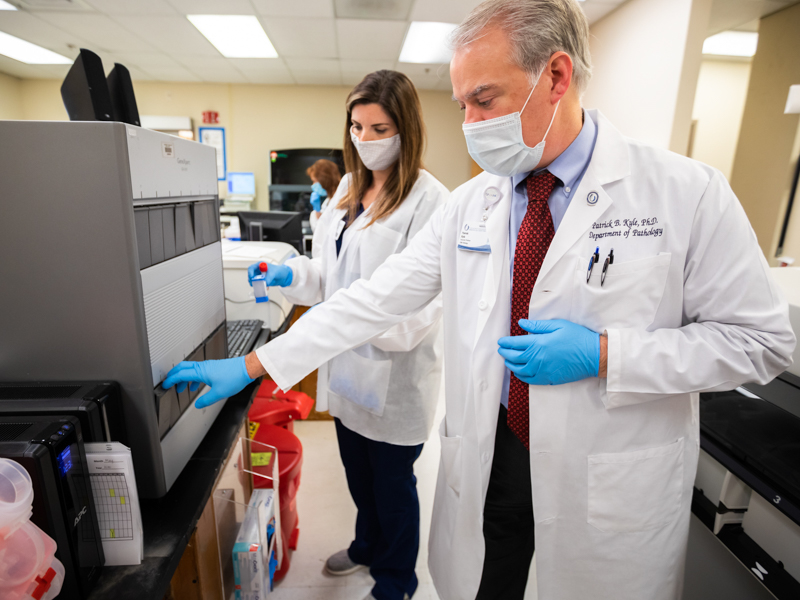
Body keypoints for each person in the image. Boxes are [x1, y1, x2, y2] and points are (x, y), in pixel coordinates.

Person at [163, 1, 796, 599]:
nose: (469, 124)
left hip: (606, 477)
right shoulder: (474, 203)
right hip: (488, 454)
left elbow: (763, 342)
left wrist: (609, 353)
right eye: (462, 103)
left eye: (483, 99)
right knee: (489, 577)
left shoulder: (685, 194)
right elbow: (375, 297)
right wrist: (253, 364)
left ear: (556, 75)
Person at [166, 70, 448, 600]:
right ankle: (367, 546)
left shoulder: (432, 203)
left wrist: (343, 319)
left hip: (396, 382)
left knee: (393, 488)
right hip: (345, 374)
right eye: (357, 126)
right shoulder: (348, 186)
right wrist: (290, 275)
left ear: (406, 129)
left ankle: (396, 578)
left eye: (380, 127)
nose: (365, 140)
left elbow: (414, 316)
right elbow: (330, 275)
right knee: (359, 480)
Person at [307, 158, 341, 233]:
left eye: (314, 181)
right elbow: (322, 224)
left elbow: (326, 230)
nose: (313, 185)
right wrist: (317, 210)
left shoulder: (341, 200)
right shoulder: (328, 200)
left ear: (325, 179)